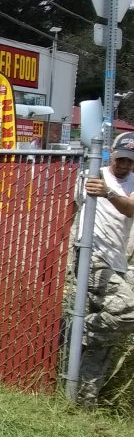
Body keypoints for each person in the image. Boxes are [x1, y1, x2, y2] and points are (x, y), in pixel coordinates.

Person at [76, 131, 134, 401]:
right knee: (128, 310)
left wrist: (108, 192)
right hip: (92, 256)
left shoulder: (130, 183)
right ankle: (78, 326)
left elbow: (130, 209)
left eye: (129, 162)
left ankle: (85, 399)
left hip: (117, 260)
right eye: (121, 159)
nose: (124, 165)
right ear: (111, 152)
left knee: (105, 339)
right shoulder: (92, 172)